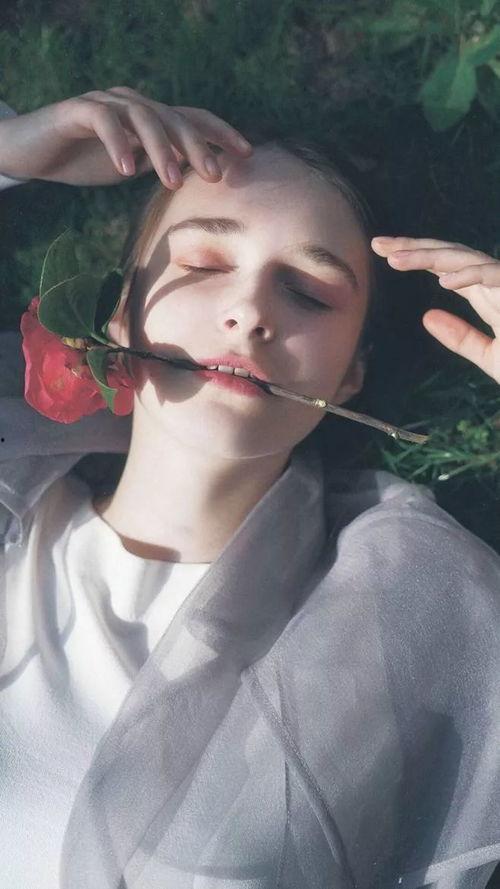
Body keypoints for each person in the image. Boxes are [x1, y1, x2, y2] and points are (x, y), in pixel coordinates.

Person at [0, 87, 500, 889]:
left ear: (350, 375)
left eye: (308, 292)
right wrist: (8, 154)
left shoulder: (400, 608)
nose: (248, 310)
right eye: (204, 263)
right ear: (120, 314)